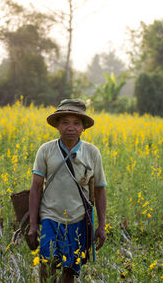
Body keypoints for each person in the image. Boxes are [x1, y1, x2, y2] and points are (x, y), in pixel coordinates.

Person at [28, 99, 107, 283]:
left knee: (70, 270)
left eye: (76, 123)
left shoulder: (92, 153)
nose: (70, 127)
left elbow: (100, 190)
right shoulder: (46, 150)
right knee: (47, 265)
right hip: (50, 218)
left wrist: (102, 226)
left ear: (83, 127)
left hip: (78, 220)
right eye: (65, 122)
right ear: (57, 125)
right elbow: (36, 187)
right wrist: (33, 225)